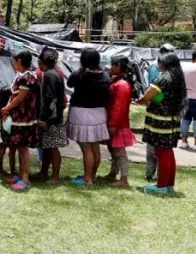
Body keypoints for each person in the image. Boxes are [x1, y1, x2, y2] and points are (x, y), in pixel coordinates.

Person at [139, 53, 187, 194]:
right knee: (168, 151)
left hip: (161, 120)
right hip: (172, 119)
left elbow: (148, 95)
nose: (158, 64)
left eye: (160, 62)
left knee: (161, 151)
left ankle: (161, 186)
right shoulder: (178, 78)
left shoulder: (163, 78)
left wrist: (142, 99)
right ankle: (169, 184)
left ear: (165, 64)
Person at [66, 48, 110, 187]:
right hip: (99, 114)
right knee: (95, 147)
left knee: (86, 148)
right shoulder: (105, 76)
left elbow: (69, 84)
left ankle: (87, 180)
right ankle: (92, 176)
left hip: (81, 114)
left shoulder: (79, 74)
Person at [0, 49, 39, 191]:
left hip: (23, 119)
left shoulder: (27, 77)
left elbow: (20, 97)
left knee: (23, 149)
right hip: (18, 118)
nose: (13, 63)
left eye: (14, 60)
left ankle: (25, 178)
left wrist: (6, 108)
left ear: (20, 61)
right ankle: (21, 174)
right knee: (19, 147)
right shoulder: (21, 76)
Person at [34, 49, 68, 185]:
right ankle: (43, 172)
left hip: (52, 119)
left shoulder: (50, 75)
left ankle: (55, 176)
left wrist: (45, 118)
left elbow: (50, 99)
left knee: (53, 147)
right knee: (47, 146)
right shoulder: (53, 73)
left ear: (42, 62)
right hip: (52, 117)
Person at [104, 55, 137, 187]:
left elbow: (119, 106)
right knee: (112, 149)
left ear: (121, 67)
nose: (112, 67)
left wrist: (113, 124)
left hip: (118, 123)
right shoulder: (117, 81)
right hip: (113, 120)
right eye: (112, 64)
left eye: (115, 65)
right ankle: (113, 174)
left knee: (119, 151)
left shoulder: (122, 85)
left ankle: (124, 178)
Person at [0, 87, 15, 179]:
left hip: (2, 131)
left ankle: (0, 170)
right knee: (12, 151)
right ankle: (12, 171)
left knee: (2, 150)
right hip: (11, 130)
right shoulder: (11, 107)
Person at [179, 52, 196, 148]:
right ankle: (195, 143)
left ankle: (184, 141)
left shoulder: (184, 67)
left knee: (185, 119)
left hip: (186, 97)